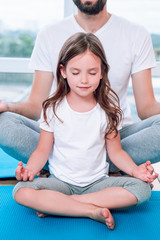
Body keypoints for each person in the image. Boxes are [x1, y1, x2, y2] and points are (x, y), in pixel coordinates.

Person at [13, 33, 158, 230]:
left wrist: (135, 171)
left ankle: (62, 204)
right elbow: (42, 151)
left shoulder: (107, 109)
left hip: (97, 183)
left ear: (101, 72)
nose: (84, 80)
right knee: (21, 191)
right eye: (75, 72)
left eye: (91, 72)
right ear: (63, 71)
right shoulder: (53, 108)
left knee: (142, 189)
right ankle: (89, 209)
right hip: (60, 182)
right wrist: (29, 171)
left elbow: (116, 152)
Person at [0, 0, 160, 173]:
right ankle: (100, 168)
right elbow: (35, 107)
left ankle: (79, 167)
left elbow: (146, 108)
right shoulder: (49, 33)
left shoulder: (136, 34)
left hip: (115, 137)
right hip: (59, 138)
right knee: (4, 122)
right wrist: (7, 106)